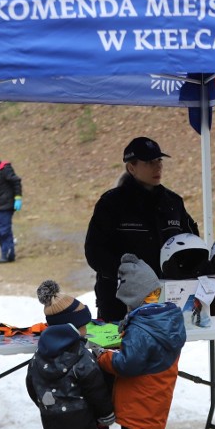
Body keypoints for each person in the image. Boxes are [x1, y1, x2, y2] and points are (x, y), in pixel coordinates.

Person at [94, 254, 185, 429]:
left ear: (134, 296)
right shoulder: (167, 319)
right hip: (158, 397)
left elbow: (127, 364)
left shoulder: (142, 328)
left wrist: (103, 357)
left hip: (139, 402)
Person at [27, 280, 115, 429]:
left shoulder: (38, 356)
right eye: (84, 325)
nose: (87, 329)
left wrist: (46, 405)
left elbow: (31, 384)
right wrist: (106, 413)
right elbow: (95, 387)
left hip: (51, 417)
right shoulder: (81, 356)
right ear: (74, 328)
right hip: (80, 416)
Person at [85, 136, 199, 323]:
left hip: (168, 301)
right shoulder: (111, 203)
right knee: (118, 352)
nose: (158, 167)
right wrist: (126, 274)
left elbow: (192, 243)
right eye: (149, 162)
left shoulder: (173, 202)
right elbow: (94, 251)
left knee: (165, 352)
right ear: (131, 167)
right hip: (119, 303)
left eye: (159, 160)